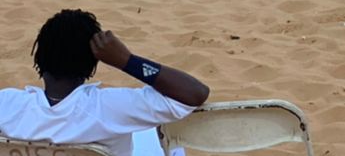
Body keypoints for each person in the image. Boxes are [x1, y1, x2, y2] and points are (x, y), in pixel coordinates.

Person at [0, 9, 210, 156]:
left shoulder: (7, 104)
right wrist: (127, 61)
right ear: (93, 63)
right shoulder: (110, 108)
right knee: (155, 134)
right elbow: (195, 93)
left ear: (39, 59)